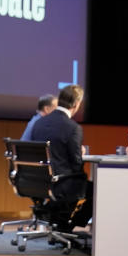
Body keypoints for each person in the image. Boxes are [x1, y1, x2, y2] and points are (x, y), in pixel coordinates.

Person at [30, 84, 91, 227]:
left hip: (38, 181)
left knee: (76, 184)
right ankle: (67, 227)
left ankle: (56, 220)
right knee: (94, 190)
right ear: (76, 104)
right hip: (61, 183)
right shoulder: (73, 128)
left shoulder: (39, 123)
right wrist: (79, 153)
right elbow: (76, 164)